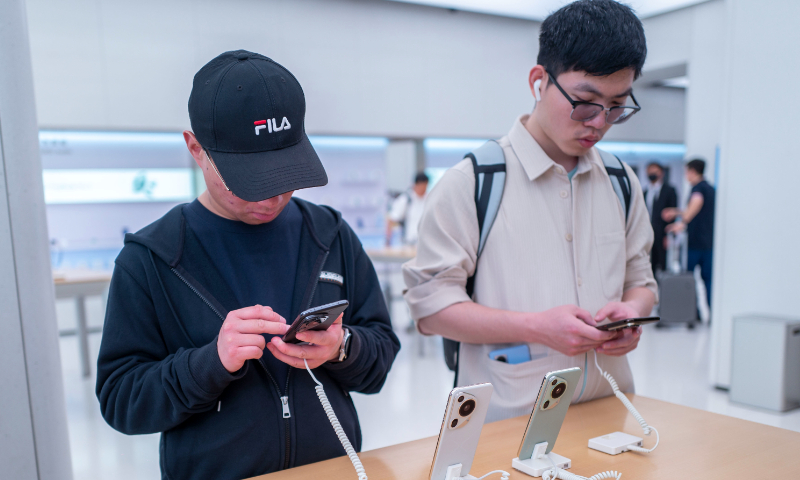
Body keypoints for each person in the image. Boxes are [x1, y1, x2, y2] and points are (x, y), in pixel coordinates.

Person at [95, 50, 400, 480]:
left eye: (285, 175)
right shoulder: (151, 258)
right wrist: (209, 363)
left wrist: (343, 346)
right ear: (196, 149)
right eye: (250, 180)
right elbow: (121, 400)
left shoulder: (328, 233)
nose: (271, 197)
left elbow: (381, 355)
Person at [403, 0, 657, 422]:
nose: (599, 122)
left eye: (617, 107)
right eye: (586, 102)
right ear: (539, 80)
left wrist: (632, 311)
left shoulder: (620, 180)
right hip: (508, 426)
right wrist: (536, 327)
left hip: (611, 414)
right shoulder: (473, 182)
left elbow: (641, 279)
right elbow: (431, 310)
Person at [663, 158, 715, 310]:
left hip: (695, 243)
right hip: (708, 243)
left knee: (689, 280)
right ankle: (711, 311)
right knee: (708, 280)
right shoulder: (710, 189)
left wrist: (682, 222)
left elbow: (696, 204)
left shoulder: (697, 189)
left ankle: (692, 312)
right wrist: (677, 212)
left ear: (692, 171)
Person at [644, 162, 677, 274]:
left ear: (661, 173)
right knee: (648, 263)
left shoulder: (669, 191)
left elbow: (672, 213)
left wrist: (669, 235)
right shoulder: (644, 192)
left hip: (662, 233)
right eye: (649, 171)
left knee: (662, 263)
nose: (651, 173)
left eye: (654, 171)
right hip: (647, 233)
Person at [386, 171, 429, 246]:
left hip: (425, 244)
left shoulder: (428, 199)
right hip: (408, 244)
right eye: (422, 187)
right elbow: (391, 219)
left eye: (426, 187)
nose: (424, 190)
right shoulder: (406, 199)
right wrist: (388, 242)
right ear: (416, 185)